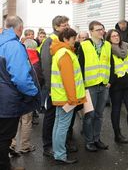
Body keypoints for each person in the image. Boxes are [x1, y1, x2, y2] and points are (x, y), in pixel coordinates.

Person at [0, 16, 40, 170]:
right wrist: (33, 92)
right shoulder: (14, 46)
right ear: (20, 28)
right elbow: (21, 78)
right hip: (7, 100)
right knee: (4, 138)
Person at [50, 28, 86, 164]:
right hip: (67, 98)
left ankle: (57, 152)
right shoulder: (65, 54)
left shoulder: (59, 52)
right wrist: (72, 99)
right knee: (62, 126)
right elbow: (68, 79)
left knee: (58, 124)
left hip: (61, 97)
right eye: (73, 38)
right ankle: (60, 155)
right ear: (66, 39)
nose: (75, 41)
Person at [77, 21, 111, 152]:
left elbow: (110, 63)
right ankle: (89, 141)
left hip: (103, 84)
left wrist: (110, 80)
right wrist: (82, 85)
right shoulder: (84, 45)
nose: (101, 32)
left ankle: (97, 139)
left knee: (99, 114)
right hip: (89, 86)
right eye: (98, 30)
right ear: (91, 32)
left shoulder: (107, 45)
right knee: (89, 115)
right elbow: (80, 66)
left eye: (102, 29)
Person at [40, 15, 71, 157]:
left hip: (61, 87)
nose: (67, 26)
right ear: (56, 27)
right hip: (53, 88)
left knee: (60, 117)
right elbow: (46, 66)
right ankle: (47, 146)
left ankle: (59, 143)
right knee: (51, 116)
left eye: (67, 24)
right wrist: (50, 87)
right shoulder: (50, 41)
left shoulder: (62, 39)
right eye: (64, 25)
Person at [10, 39, 44, 156]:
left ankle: (12, 145)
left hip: (13, 94)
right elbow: (38, 78)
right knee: (26, 121)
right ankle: (25, 146)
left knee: (13, 121)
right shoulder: (35, 59)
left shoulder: (14, 56)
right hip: (27, 94)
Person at [106, 29, 128, 144]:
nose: (116, 37)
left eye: (117, 35)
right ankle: (117, 135)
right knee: (116, 110)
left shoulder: (126, 46)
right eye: (113, 36)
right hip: (116, 85)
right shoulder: (108, 49)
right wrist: (112, 80)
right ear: (109, 39)